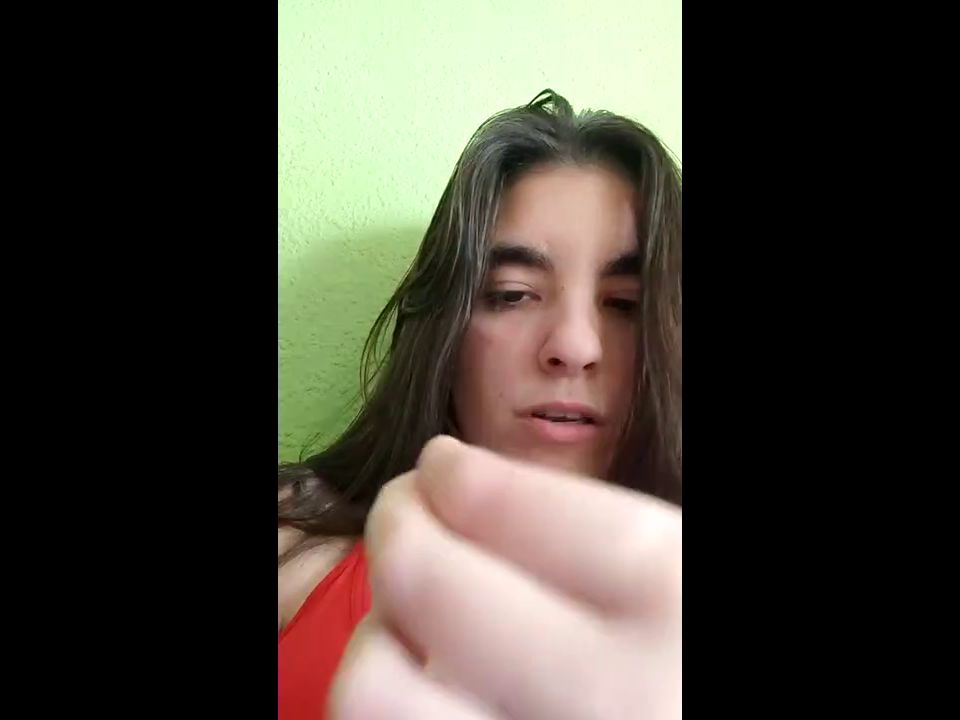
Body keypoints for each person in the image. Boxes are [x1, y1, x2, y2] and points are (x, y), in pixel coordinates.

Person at [278, 89, 681, 720]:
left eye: (626, 304)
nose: (575, 347)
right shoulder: (295, 542)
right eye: (513, 294)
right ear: (446, 331)